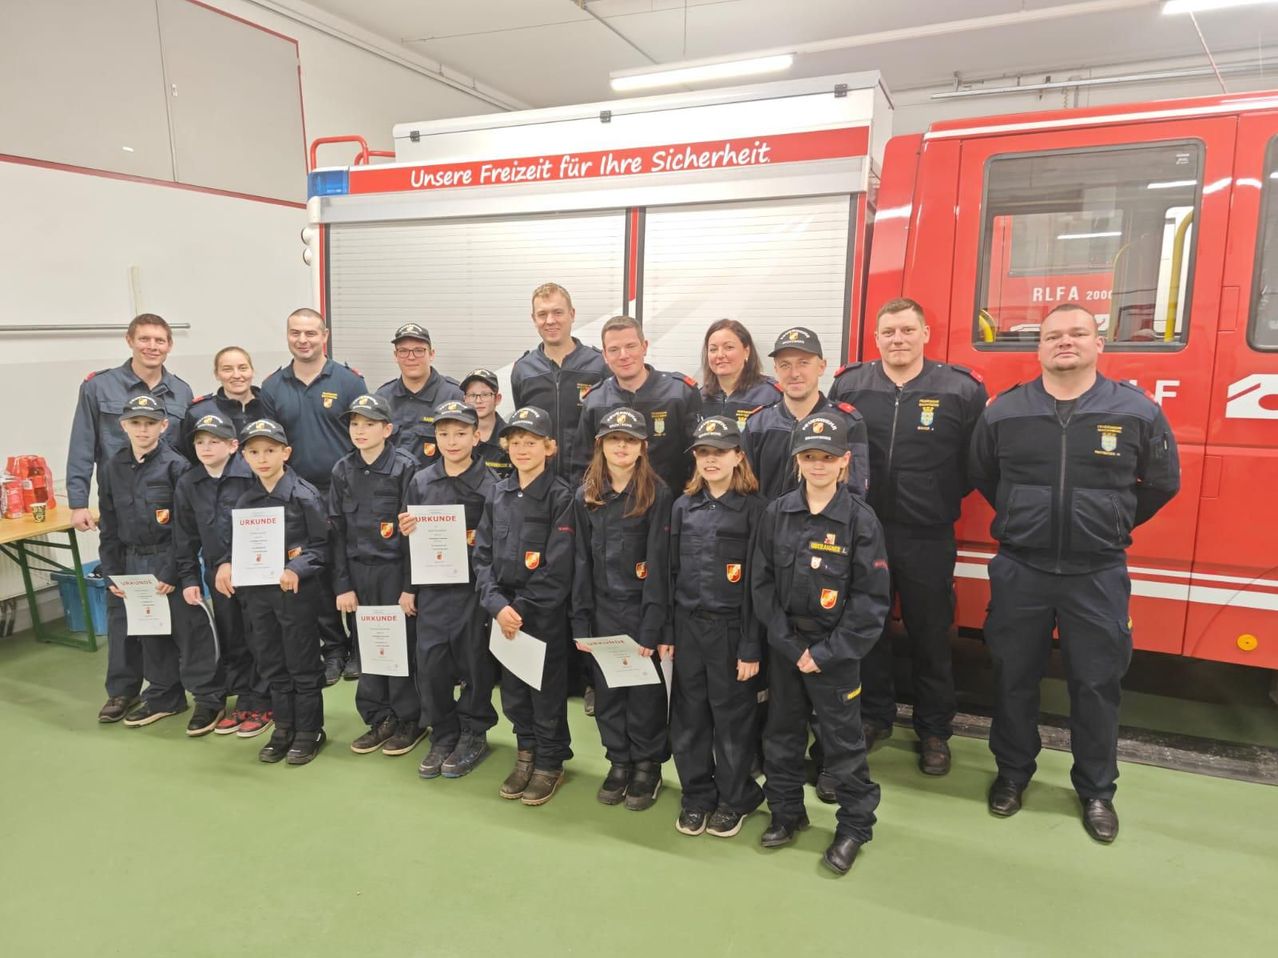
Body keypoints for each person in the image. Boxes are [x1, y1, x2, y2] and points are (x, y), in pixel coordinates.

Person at [969, 302, 1180, 844]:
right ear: (1038, 348)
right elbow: (983, 474)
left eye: (1077, 333)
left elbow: (1161, 482)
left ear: (1098, 344)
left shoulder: (1136, 411)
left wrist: (1106, 522)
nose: (1065, 342)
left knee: (1096, 684)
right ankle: (1013, 775)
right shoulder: (1004, 413)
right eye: (1053, 335)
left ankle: (1096, 791)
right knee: (1014, 679)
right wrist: (1026, 517)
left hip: (1098, 573)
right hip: (1022, 568)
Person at [830, 298, 988, 773]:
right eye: (888, 332)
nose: (897, 340)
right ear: (875, 339)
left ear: (925, 334)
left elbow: (977, 461)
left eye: (906, 330)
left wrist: (935, 496)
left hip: (928, 532)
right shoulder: (851, 384)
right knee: (869, 628)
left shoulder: (960, 389)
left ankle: (935, 729)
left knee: (930, 632)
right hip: (864, 529)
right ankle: (873, 715)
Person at [750, 412, 891, 876]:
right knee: (781, 737)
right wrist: (791, 648)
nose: (817, 465)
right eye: (809, 457)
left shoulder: (860, 521)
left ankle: (854, 826)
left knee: (843, 745)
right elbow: (762, 586)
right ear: (797, 462)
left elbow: (871, 601)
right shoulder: (777, 513)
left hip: (836, 654)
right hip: (788, 649)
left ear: (845, 462)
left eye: (827, 458)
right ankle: (787, 814)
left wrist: (826, 654)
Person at [97, 395, 224, 733]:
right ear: (123, 425)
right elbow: (108, 526)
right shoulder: (112, 468)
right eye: (135, 423)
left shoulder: (177, 467)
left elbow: (186, 527)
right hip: (132, 562)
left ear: (163, 426)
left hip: (172, 562)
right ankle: (165, 695)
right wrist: (113, 572)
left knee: (190, 632)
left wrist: (173, 570)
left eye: (150, 423)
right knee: (150, 633)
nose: (142, 429)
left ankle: (208, 698)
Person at [665, 416, 766, 838]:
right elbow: (670, 574)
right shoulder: (683, 507)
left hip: (731, 631)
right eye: (703, 453)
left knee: (732, 721)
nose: (710, 460)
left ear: (738, 457)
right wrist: (668, 633)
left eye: (719, 452)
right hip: (689, 628)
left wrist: (750, 646)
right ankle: (696, 795)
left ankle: (734, 797)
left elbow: (759, 586)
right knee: (688, 719)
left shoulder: (756, 510)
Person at [571, 408, 672, 812]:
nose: (622, 447)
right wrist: (581, 620)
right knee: (610, 693)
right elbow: (579, 560)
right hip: (601, 612)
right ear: (601, 445)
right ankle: (619, 761)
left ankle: (648, 766)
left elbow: (661, 565)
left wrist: (653, 626)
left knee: (644, 694)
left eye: (630, 440)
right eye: (614, 440)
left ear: (642, 447)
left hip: (640, 610)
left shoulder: (656, 493)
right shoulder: (587, 494)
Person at [473, 406, 575, 806]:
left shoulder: (561, 497)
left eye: (531, 442)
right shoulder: (497, 493)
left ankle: (550, 762)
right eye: (515, 442)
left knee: (545, 693)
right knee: (514, 693)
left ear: (549, 447)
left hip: (540, 615)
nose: (522, 449)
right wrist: (497, 605)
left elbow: (559, 566)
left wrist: (521, 609)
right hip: (503, 614)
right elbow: (481, 557)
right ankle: (525, 754)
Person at [259, 307, 367, 684]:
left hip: (346, 492)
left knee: (351, 566)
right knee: (315, 574)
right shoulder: (272, 387)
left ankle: (360, 647)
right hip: (297, 497)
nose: (303, 340)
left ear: (325, 335)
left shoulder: (350, 382)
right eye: (295, 333)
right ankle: (333, 648)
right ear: (288, 336)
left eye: (310, 333)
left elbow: (364, 435)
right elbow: (270, 444)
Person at [216, 418, 330, 766]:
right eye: (254, 452)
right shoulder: (244, 500)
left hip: (295, 597)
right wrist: (226, 564)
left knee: (301, 663)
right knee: (271, 662)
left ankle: (310, 731)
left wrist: (296, 567)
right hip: (257, 597)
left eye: (270, 450)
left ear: (286, 452)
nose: (262, 458)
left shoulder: (304, 495)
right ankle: (284, 727)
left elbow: (322, 547)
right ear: (245, 457)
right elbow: (233, 544)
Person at [399, 400, 498, 780]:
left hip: (472, 593)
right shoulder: (421, 482)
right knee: (431, 666)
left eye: (460, 433)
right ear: (434, 438)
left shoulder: (491, 486)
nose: (452, 441)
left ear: (477, 436)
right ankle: (443, 733)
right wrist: (409, 587)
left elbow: (492, 545)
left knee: (474, 664)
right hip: (433, 592)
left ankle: (473, 732)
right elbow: (409, 541)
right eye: (444, 434)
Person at [329, 395, 424, 758]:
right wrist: (343, 585)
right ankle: (378, 717)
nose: (361, 431)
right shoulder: (342, 470)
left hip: (394, 573)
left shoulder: (405, 468)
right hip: (359, 573)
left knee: (401, 646)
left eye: (369, 424)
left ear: (388, 428)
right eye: (355, 424)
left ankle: (409, 719)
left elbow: (413, 534)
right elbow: (336, 532)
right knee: (367, 647)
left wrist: (408, 587)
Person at [173, 412, 272, 737]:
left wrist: (232, 561)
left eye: (214, 441)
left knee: (261, 635)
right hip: (218, 577)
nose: (205, 448)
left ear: (233, 446)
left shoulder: (253, 476)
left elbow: (262, 526)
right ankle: (244, 697)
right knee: (232, 637)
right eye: (199, 442)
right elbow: (184, 537)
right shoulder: (189, 483)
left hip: (257, 571)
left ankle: (263, 700)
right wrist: (189, 579)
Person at [67, 313, 194, 540]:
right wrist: (78, 503)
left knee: (175, 569)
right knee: (121, 567)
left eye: (159, 341)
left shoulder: (182, 391)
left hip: (170, 501)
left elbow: (187, 451)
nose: (152, 347)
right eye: (144, 339)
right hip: (120, 500)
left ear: (169, 345)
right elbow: (82, 446)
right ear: (129, 341)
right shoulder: (99, 387)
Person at [741, 326, 869, 503]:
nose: (794, 373)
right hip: (766, 527)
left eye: (803, 363)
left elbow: (855, 493)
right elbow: (744, 489)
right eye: (785, 365)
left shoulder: (847, 423)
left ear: (821, 367)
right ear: (776, 369)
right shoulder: (758, 424)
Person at [577, 315, 702, 495]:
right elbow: (583, 463)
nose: (623, 356)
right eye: (614, 349)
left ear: (644, 347)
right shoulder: (595, 401)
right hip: (612, 510)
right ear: (604, 356)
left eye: (631, 346)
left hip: (669, 506)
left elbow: (698, 457)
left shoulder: (679, 393)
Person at [510, 282, 607, 484]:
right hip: (540, 484)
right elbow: (523, 428)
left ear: (572, 314)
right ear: (534, 319)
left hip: (590, 482)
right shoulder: (523, 370)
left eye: (558, 312)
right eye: (542, 314)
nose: (550, 321)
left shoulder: (599, 366)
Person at [375, 322, 464, 470]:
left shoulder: (454, 396)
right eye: (403, 351)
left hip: (436, 489)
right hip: (391, 488)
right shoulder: (382, 398)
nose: (411, 357)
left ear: (432, 354)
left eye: (419, 350)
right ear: (395, 356)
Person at [180, 346, 267, 458]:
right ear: (217, 374)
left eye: (243, 368)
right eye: (227, 369)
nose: (236, 375)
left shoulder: (271, 405)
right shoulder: (199, 413)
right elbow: (189, 456)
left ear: (252, 371)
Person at [698, 319, 781, 428]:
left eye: (729, 347)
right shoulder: (700, 397)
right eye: (713, 349)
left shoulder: (770, 395)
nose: (720, 355)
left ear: (746, 351)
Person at [460, 368, 513, 480]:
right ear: (465, 399)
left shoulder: (511, 438)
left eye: (485, 394)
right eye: (472, 395)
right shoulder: (457, 437)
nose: (478, 401)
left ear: (497, 399)